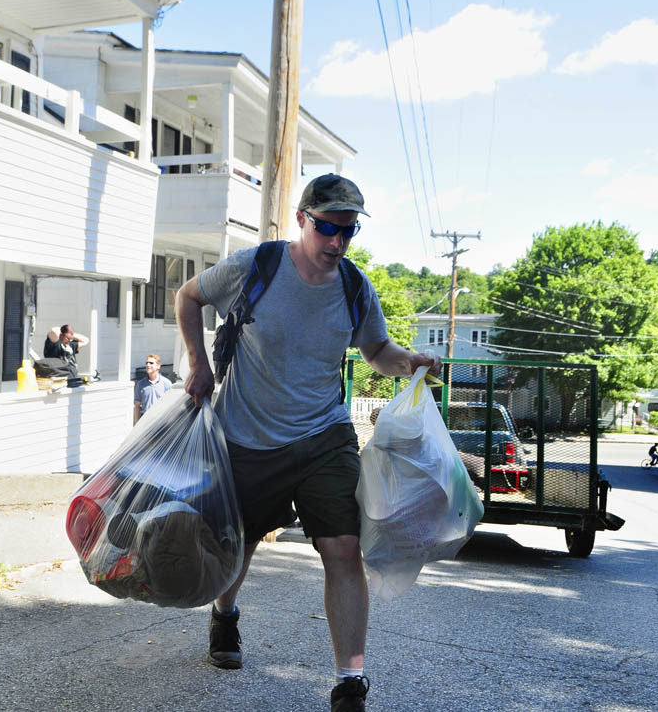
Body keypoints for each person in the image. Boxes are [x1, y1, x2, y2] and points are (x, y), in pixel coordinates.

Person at [175, 173, 441, 711]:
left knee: (342, 547)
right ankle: (225, 616)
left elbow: (376, 351)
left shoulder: (354, 286)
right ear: (302, 219)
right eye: (328, 229)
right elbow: (188, 296)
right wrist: (199, 365)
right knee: (240, 543)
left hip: (324, 436)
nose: (338, 243)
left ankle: (350, 681)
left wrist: (406, 363)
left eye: (349, 232)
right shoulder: (256, 267)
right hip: (248, 437)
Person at [134, 354, 173, 424]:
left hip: (161, 423)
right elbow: (137, 405)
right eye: (147, 363)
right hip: (145, 423)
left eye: (151, 363)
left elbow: (171, 406)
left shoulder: (167, 384)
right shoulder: (140, 384)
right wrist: (136, 424)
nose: (148, 365)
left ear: (158, 366)